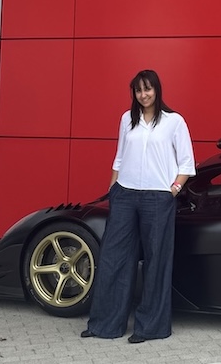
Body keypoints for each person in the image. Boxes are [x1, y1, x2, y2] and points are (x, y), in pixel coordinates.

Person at [82, 69, 196, 343]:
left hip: (158, 198)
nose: (143, 95)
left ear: (157, 90)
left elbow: (186, 163)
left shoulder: (173, 121)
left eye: (148, 89)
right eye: (138, 90)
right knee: (114, 259)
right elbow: (119, 158)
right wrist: (113, 190)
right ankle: (105, 324)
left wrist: (173, 190)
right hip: (125, 195)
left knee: (156, 262)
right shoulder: (127, 119)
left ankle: (150, 328)